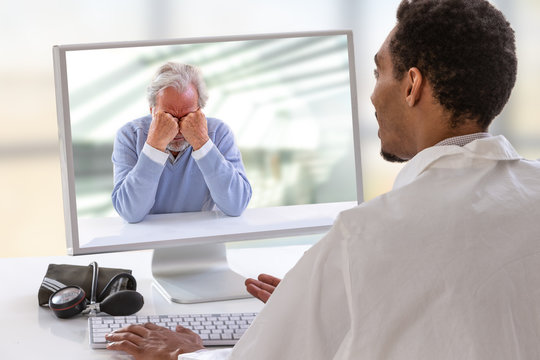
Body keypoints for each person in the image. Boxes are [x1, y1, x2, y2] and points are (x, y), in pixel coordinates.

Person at [106, 0, 540, 358]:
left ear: (411, 86)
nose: (371, 94)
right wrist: (320, 304)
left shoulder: (362, 238)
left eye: (377, 72)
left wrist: (190, 351)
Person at [111, 63, 252, 223]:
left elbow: (236, 205)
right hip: (150, 240)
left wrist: (202, 142)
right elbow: (129, 212)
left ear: (200, 110)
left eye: (188, 116)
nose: (178, 128)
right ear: (152, 111)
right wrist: (154, 146)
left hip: (205, 237)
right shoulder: (129, 135)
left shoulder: (219, 133)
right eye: (167, 116)